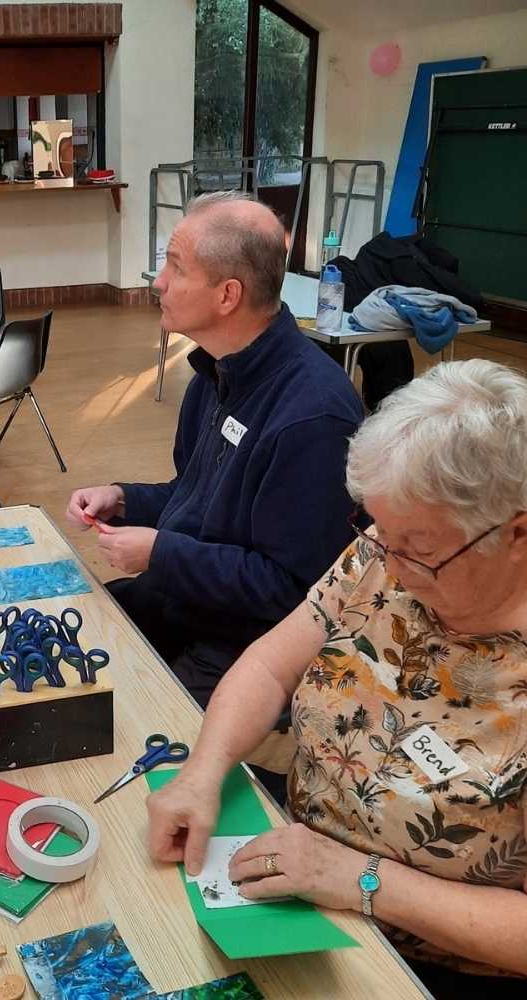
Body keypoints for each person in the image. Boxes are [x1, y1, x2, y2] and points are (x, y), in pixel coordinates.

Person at [146, 359, 527, 997]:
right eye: (382, 533)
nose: (394, 568)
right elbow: (270, 664)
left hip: (425, 965)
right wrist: (204, 773)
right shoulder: (384, 554)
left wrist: (362, 879)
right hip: (295, 878)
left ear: (517, 534)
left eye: (420, 552)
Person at [67, 191, 363, 707]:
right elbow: (199, 497)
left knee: (123, 721)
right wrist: (124, 498)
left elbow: (293, 592)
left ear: (228, 295)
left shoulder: (314, 417)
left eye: (176, 268)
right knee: (63, 651)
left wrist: (162, 553)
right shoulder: (216, 370)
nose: (158, 282)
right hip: (186, 601)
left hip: (248, 642)